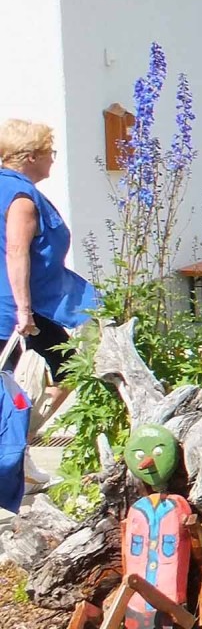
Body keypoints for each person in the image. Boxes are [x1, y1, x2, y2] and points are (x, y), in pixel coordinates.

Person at [0, 120, 98, 488]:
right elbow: (16, 251)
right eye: (49, 153)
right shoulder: (21, 198)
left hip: (27, 305)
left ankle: (17, 454)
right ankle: (13, 454)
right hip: (16, 309)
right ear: (30, 157)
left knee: (67, 368)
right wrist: (23, 311)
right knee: (66, 370)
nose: (53, 160)